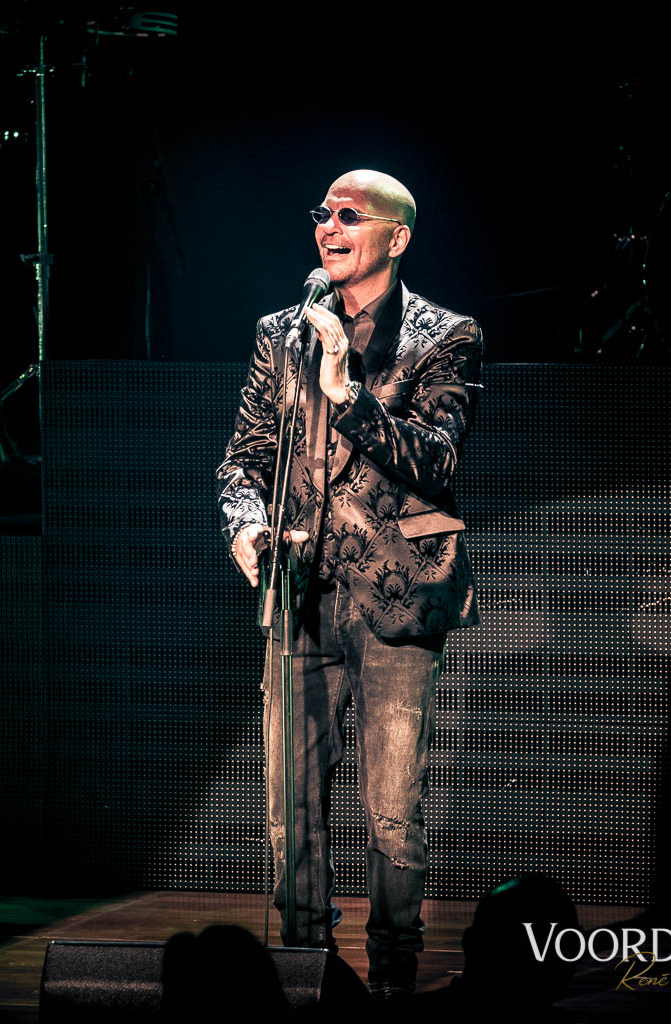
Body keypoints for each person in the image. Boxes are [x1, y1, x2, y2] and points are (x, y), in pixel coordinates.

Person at [216, 169, 483, 998]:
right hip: (302, 591)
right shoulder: (281, 332)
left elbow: (437, 460)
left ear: (396, 238)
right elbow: (243, 459)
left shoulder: (445, 334)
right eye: (322, 215)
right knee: (290, 801)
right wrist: (245, 524)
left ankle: (394, 971)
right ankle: (305, 967)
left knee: (393, 807)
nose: (329, 228)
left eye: (348, 215)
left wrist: (348, 394)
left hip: (399, 592)